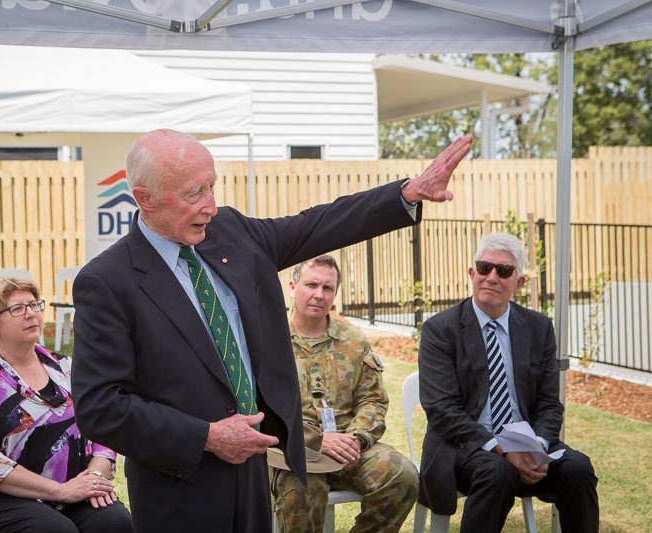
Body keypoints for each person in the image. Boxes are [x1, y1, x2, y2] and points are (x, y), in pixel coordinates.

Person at [71, 128, 472, 533]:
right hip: (180, 488)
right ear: (145, 199)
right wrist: (207, 436)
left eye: (212, 186)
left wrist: (405, 194)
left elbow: (317, 225)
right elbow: (101, 406)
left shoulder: (229, 232)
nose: (211, 205)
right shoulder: (107, 282)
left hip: (253, 469)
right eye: (194, 193)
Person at [417, 232, 599, 533]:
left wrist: (537, 447)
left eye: (503, 271)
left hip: (526, 445)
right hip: (462, 447)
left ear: (519, 283)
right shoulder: (441, 329)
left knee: (578, 468)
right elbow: (441, 409)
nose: (492, 277)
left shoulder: (538, 328)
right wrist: (502, 449)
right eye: (484, 267)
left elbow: (550, 403)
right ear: (472, 273)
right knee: (497, 471)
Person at [0, 277, 133, 533]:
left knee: (116, 523)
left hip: (75, 489)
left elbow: (103, 423)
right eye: (17, 309)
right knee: (54, 530)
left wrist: (94, 478)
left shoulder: (67, 368)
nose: (30, 314)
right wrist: (62, 491)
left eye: (34, 305)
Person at [271, 255, 419, 533]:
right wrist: (318, 441)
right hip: (294, 452)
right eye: (311, 284)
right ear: (292, 287)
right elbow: (263, 411)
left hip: (350, 449)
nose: (319, 294)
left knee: (402, 474)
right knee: (304, 489)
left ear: (335, 294)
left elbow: (373, 399)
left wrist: (356, 439)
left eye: (328, 288)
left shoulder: (352, 339)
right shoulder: (269, 341)